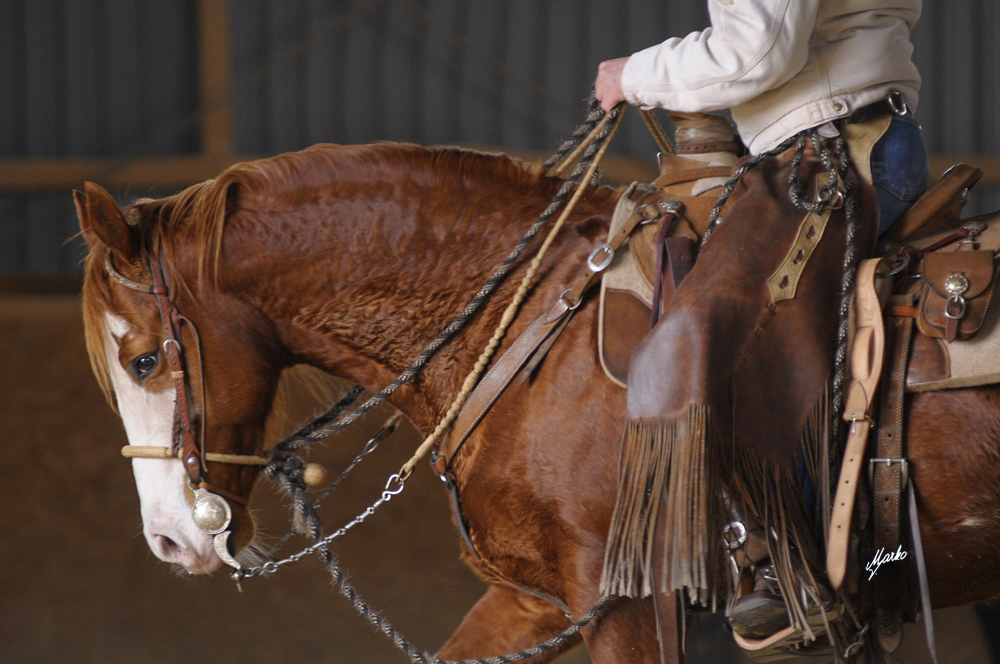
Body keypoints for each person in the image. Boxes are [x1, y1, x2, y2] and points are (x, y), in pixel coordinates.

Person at [592, 0, 929, 646]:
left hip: (831, 144)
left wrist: (634, 75)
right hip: (857, 127)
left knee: (708, 324)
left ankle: (789, 561)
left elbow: (757, 51)